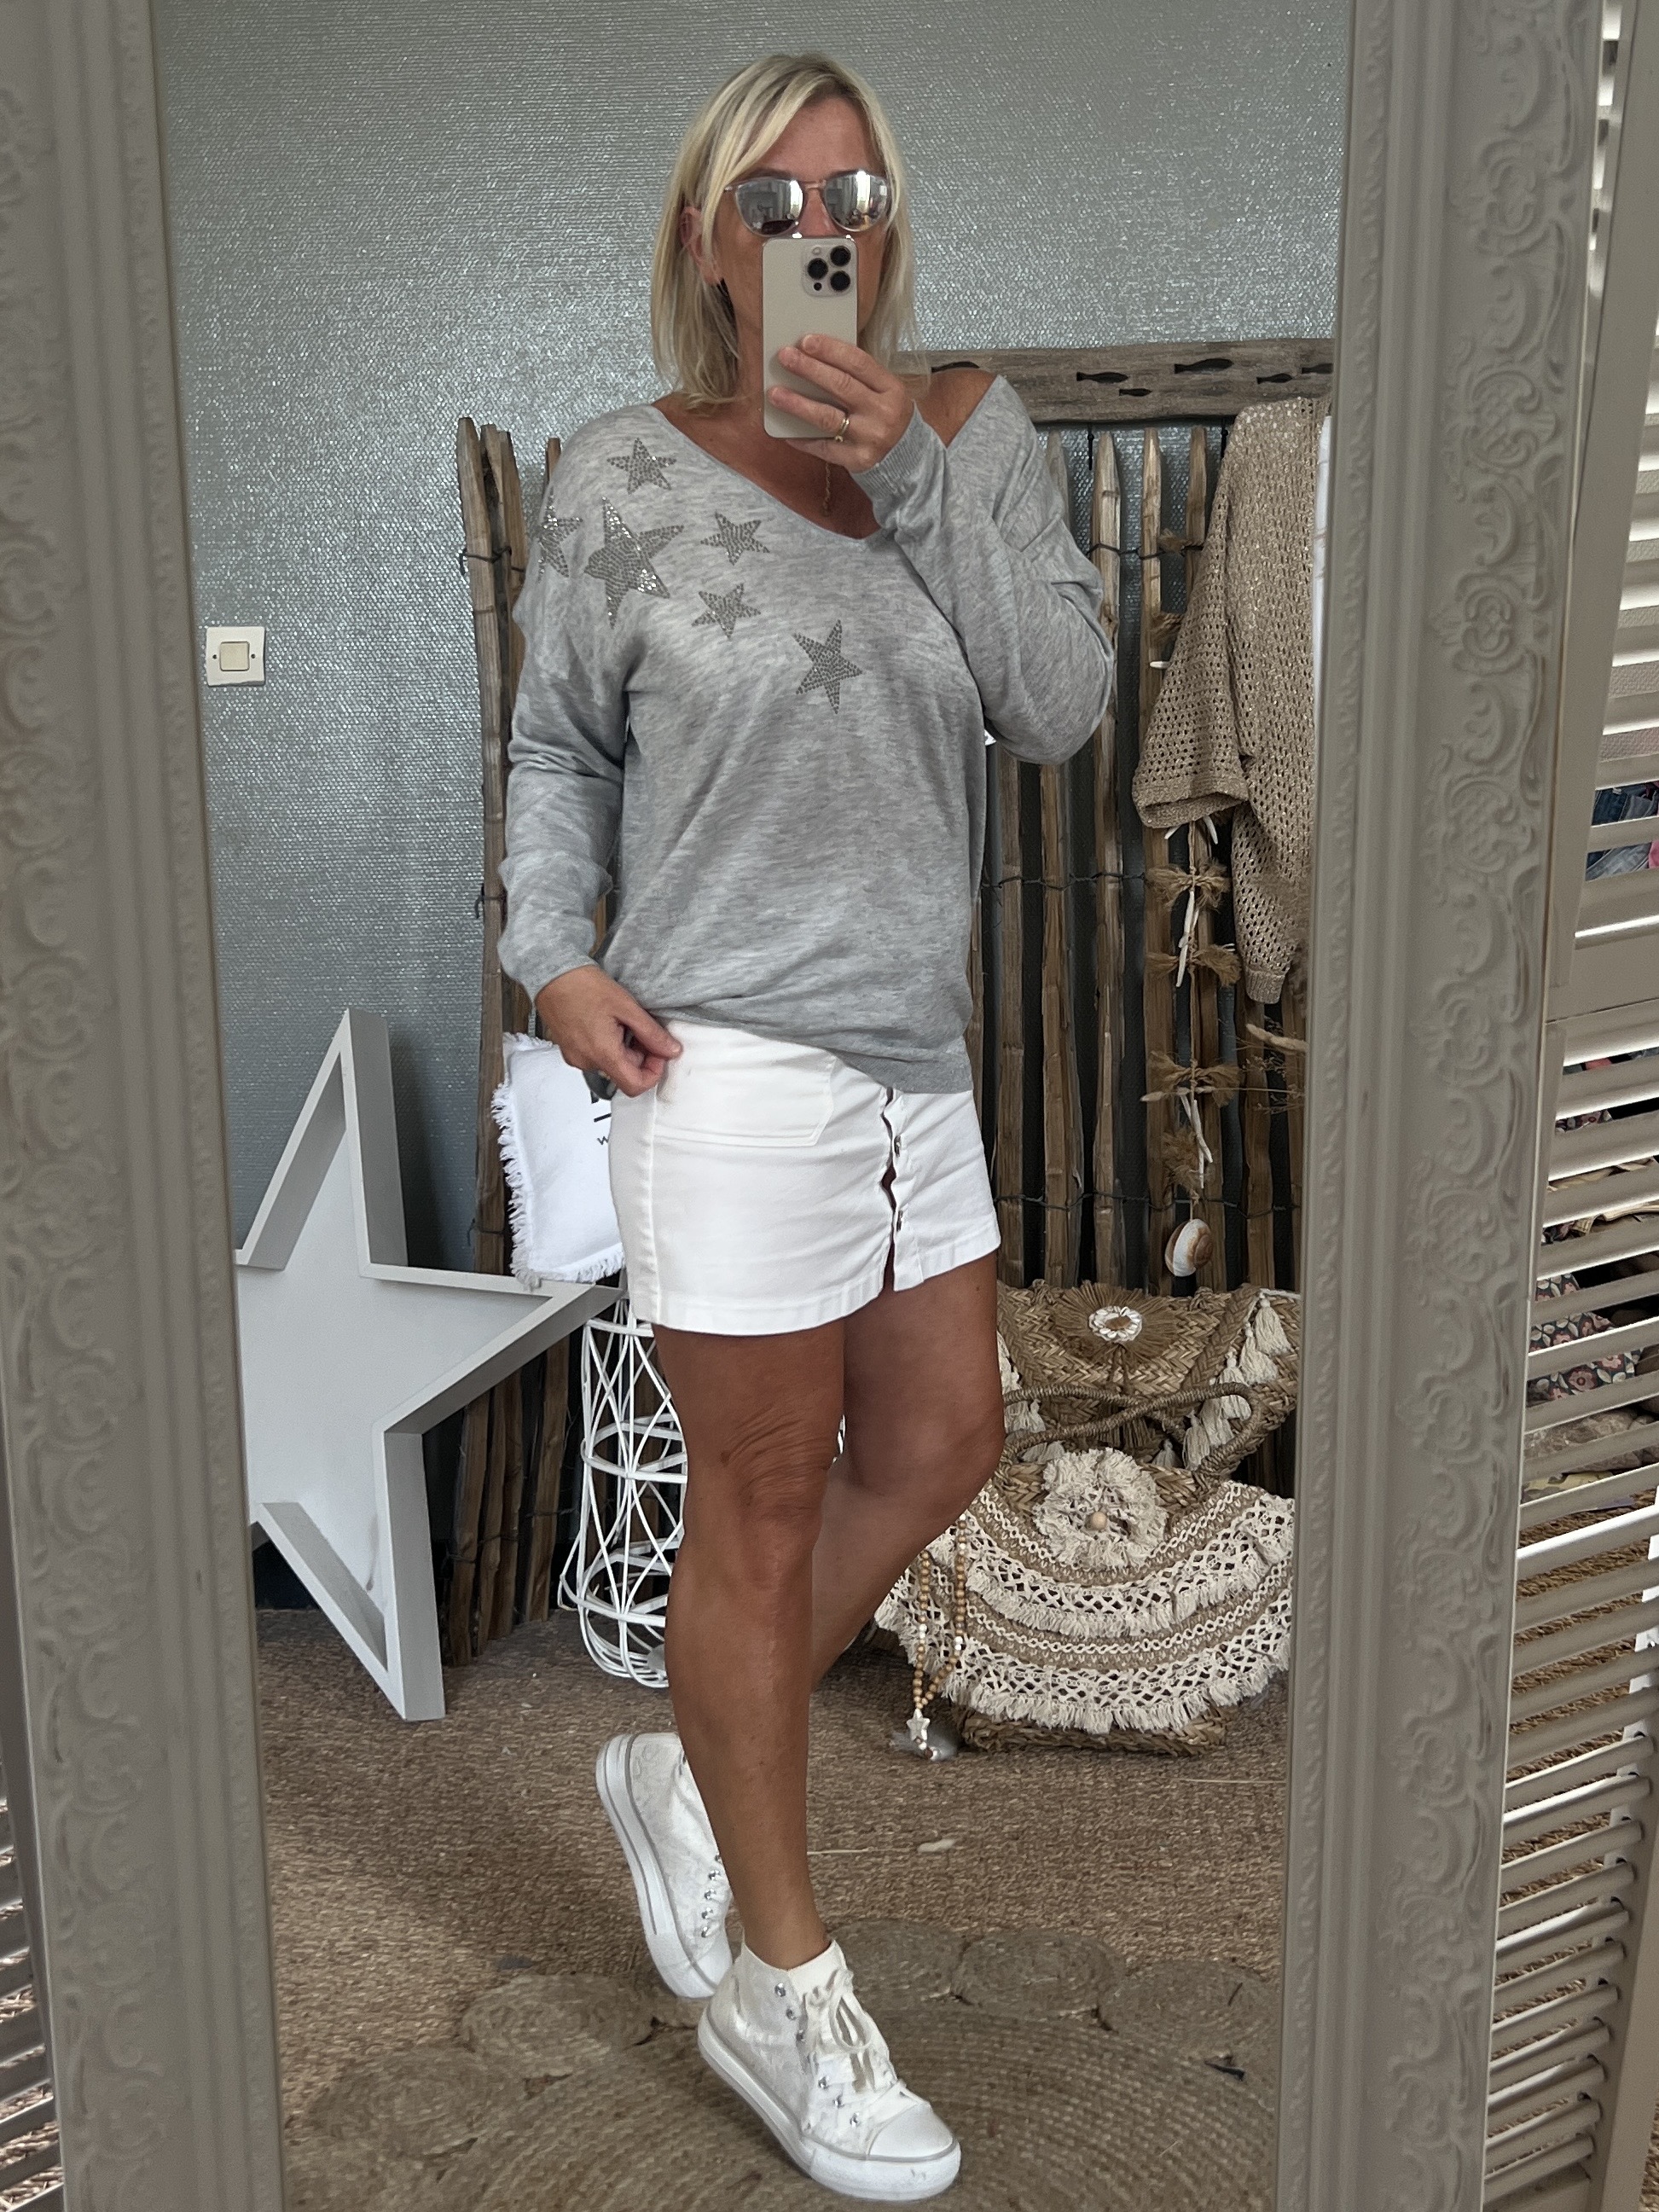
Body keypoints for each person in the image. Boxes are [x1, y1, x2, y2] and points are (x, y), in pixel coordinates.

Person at [498, 50, 1112, 2203]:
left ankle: (684, 1768)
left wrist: (912, 477)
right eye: (774, 199)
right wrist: (546, 953)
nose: (818, 231)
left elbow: (1056, 706)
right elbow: (559, 750)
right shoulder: (616, 475)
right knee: (754, 1516)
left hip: (911, 1050)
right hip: (721, 1055)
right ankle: (781, 1985)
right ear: (706, 235)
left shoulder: (969, 434)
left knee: (938, 1441)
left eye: (852, 195)